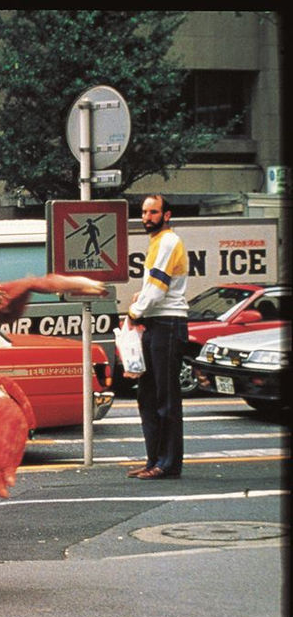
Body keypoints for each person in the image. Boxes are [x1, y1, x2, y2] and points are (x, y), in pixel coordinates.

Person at [124, 194, 188, 480]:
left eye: (153, 212)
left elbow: (158, 288)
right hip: (156, 323)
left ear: (167, 215)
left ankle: (168, 463)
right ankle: (154, 461)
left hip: (168, 324)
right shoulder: (156, 243)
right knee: (148, 396)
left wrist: (135, 311)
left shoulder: (168, 242)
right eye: (144, 212)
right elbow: (153, 286)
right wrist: (141, 303)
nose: (147, 217)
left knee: (166, 397)